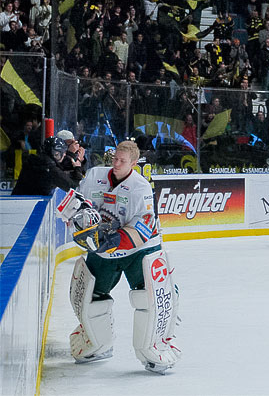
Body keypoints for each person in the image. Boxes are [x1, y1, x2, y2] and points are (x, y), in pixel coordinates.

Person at [55, 141, 179, 373]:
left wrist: (113, 240)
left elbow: (146, 226)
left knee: (153, 297)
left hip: (139, 251)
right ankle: (97, 343)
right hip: (102, 250)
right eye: (114, 158)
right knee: (87, 296)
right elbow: (78, 202)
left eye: (122, 161)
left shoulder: (141, 187)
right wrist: (76, 219)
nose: (116, 163)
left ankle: (154, 346)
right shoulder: (94, 176)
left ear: (134, 163)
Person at [12, 137, 82, 195]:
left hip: (19, 202)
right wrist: (77, 167)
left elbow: (59, 169)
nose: (64, 155)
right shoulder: (49, 169)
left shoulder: (37, 161)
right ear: (55, 153)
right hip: (29, 206)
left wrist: (71, 155)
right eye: (62, 152)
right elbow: (73, 187)